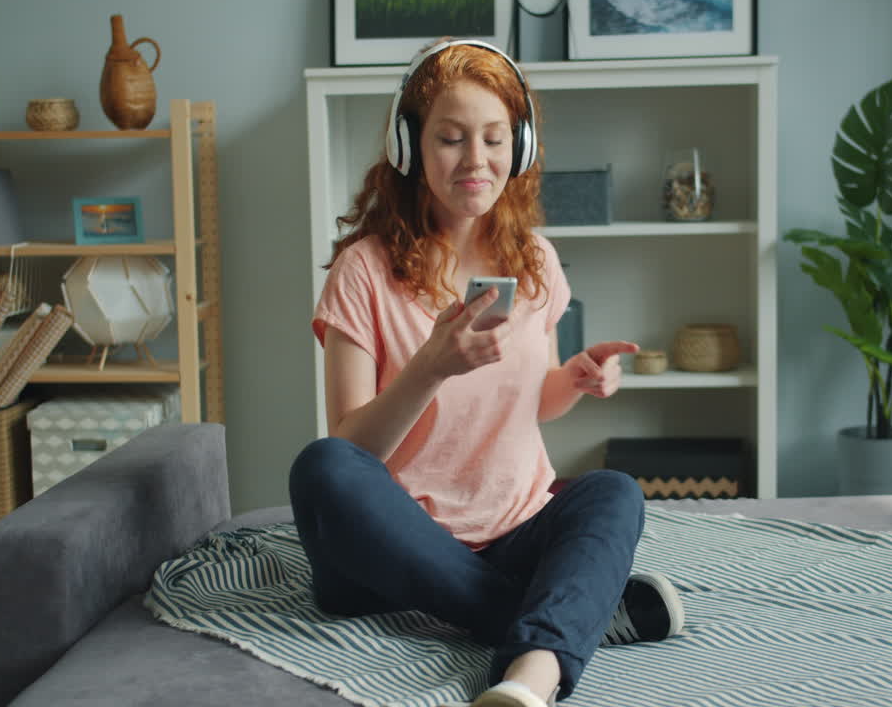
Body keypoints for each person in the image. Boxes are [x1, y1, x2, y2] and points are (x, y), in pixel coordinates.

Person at [290, 38, 684, 707]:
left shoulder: (533, 260)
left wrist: (577, 378)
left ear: (520, 148)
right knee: (320, 468)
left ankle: (529, 680)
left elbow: (537, 400)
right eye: (450, 138)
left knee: (613, 493)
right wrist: (429, 369)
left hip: (511, 533)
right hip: (388, 552)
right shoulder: (363, 269)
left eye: (495, 139)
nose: (477, 160)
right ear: (410, 148)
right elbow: (354, 451)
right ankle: (559, 622)